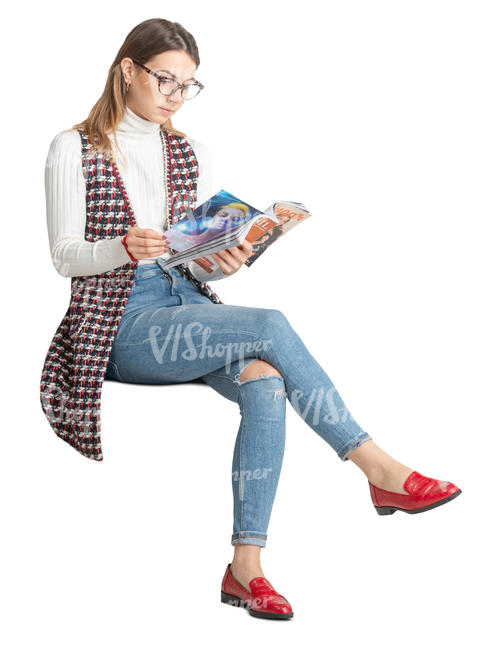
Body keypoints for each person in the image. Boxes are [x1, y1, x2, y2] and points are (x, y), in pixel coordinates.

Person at [42, 18, 462, 620]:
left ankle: (246, 567)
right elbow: (63, 258)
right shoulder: (73, 147)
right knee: (270, 322)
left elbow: (194, 263)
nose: (174, 96)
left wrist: (225, 261)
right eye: (164, 79)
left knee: (264, 377)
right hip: (117, 324)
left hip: (187, 311)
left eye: (188, 85)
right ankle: (377, 467)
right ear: (127, 70)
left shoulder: (190, 152)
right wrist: (120, 248)